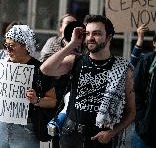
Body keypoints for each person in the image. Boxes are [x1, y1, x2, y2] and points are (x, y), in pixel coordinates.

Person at [40, 14, 136, 148]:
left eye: (96, 33)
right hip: (71, 136)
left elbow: (131, 112)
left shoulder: (123, 69)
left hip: (101, 139)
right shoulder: (75, 60)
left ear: (108, 37)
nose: (90, 38)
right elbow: (45, 69)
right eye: (88, 33)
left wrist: (112, 133)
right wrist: (72, 44)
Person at [0, 25, 57, 148]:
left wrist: (36, 100)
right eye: (5, 46)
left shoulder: (40, 70)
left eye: (11, 46)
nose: (7, 50)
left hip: (26, 132)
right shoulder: (0, 67)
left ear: (25, 46)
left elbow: (52, 101)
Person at [39, 14, 77, 148]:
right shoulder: (52, 42)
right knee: (47, 137)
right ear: (61, 28)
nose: (71, 27)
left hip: (69, 96)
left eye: (74, 24)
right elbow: (45, 69)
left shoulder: (81, 46)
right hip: (51, 93)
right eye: (68, 23)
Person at [133, 32, 156, 148]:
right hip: (145, 129)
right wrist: (141, 120)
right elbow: (135, 92)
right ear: (154, 44)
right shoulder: (147, 61)